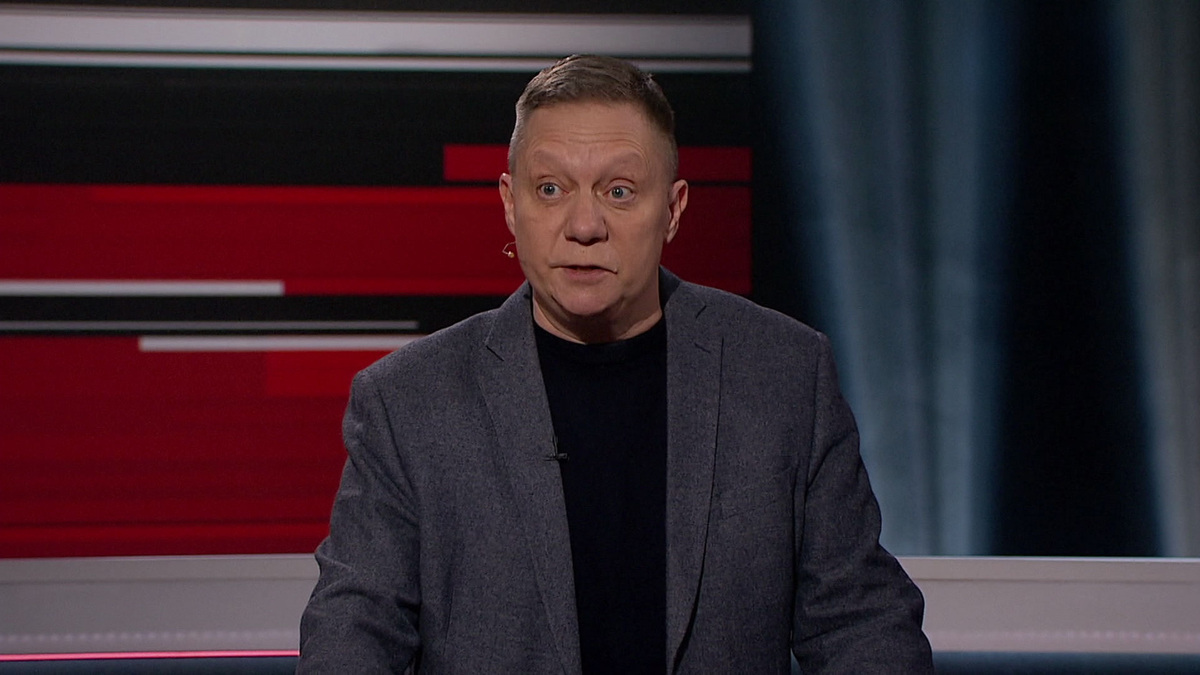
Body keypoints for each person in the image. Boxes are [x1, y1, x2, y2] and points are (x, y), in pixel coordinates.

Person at [297, 54, 933, 674]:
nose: (584, 225)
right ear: (511, 204)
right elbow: (353, 633)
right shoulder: (408, 402)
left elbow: (860, 623)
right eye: (550, 189)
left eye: (619, 191)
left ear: (673, 210)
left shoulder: (783, 374)